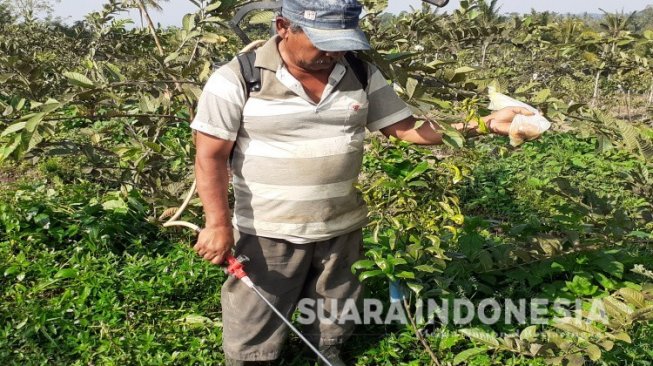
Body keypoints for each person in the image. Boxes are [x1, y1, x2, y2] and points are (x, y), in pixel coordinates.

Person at [190, 0, 534, 364]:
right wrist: (217, 224)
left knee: (333, 308)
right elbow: (210, 156)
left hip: (342, 225)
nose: (332, 51)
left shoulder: (360, 71)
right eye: (322, 40)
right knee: (255, 325)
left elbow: (405, 129)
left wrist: (483, 124)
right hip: (267, 230)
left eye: (341, 41)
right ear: (282, 27)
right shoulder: (238, 77)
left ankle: (325, 350)